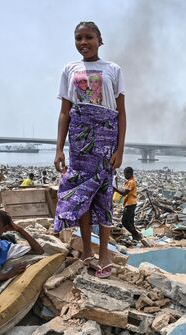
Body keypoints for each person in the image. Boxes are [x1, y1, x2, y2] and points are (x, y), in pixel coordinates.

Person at [53, 21, 126, 279]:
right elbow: (64, 112)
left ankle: (104, 253)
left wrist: (120, 148)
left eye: (89, 37)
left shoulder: (113, 69)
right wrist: (59, 148)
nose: (83, 42)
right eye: (78, 38)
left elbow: (121, 112)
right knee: (82, 194)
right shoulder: (69, 69)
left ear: (99, 40)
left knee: (104, 193)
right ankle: (86, 251)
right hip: (80, 140)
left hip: (106, 139)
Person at [114, 167, 141, 240]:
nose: (125, 175)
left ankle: (137, 235)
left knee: (125, 221)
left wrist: (115, 189)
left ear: (130, 173)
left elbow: (124, 193)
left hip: (130, 204)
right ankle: (135, 238)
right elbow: (124, 190)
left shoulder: (131, 182)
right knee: (130, 221)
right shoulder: (129, 181)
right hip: (132, 203)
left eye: (125, 173)